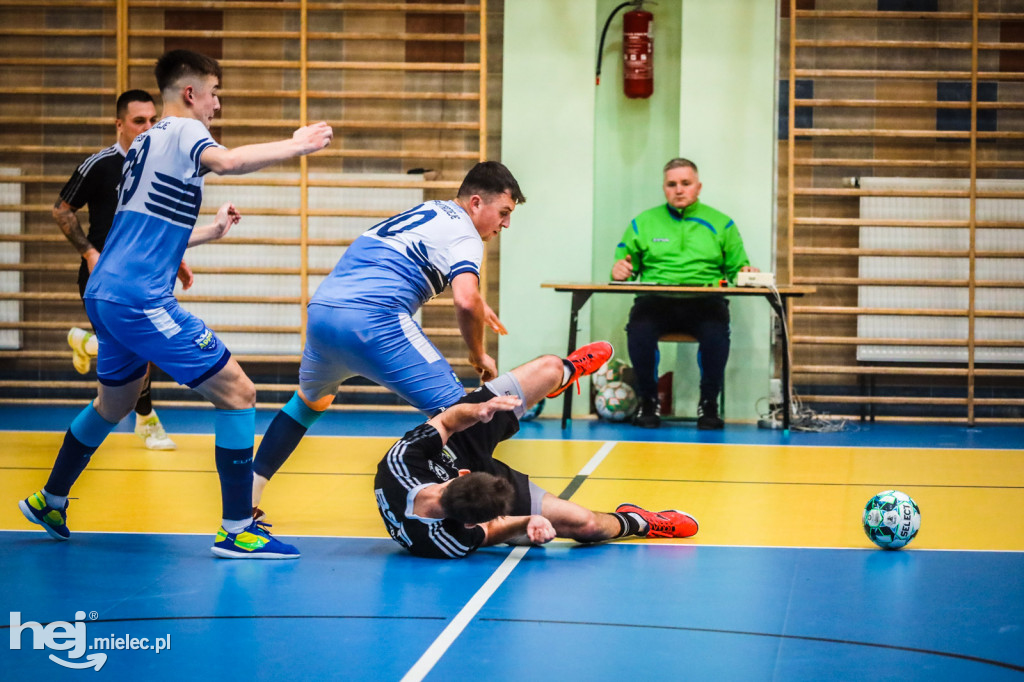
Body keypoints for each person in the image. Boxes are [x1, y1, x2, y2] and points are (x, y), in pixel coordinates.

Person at [18, 49, 333, 559]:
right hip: (140, 299)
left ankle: (50, 498)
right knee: (238, 391)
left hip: (108, 294)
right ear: (191, 93)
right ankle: (237, 530)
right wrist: (296, 144)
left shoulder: (144, 144)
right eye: (214, 94)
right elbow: (228, 163)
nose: (217, 106)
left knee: (114, 404)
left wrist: (210, 232)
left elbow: (142, 230)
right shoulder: (185, 131)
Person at [249, 161, 525, 523]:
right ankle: (498, 516)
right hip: (375, 320)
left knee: (306, 406)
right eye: (503, 213)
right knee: (463, 417)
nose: (505, 224)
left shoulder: (428, 209)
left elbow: (408, 260)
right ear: (476, 203)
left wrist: (478, 303)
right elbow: (465, 299)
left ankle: (245, 502)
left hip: (323, 314)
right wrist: (478, 355)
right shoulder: (467, 235)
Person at [374, 341, 699, 559]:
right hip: (468, 498)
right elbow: (493, 530)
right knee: (585, 524)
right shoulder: (449, 541)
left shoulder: (401, 463)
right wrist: (526, 523)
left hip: (458, 442)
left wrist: (480, 411)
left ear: (454, 477)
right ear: (471, 523)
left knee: (547, 367)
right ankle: (639, 521)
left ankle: (566, 373)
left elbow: (445, 423)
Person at [55, 89, 189, 450]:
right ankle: (146, 422)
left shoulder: (158, 166)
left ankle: (86, 342)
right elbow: (62, 210)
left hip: (147, 275)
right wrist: (88, 252)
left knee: (135, 350)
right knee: (139, 348)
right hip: (103, 277)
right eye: (139, 121)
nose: (148, 127)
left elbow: (157, 223)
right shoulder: (99, 165)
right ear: (120, 124)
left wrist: (175, 260)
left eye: (153, 120)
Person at [611, 158, 758, 430]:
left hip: (705, 302)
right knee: (638, 329)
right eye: (672, 184)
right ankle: (648, 401)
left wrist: (746, 271)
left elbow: (739, 269)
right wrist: (619, 269)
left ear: (698, 187)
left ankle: (709, 404)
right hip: (656, 302)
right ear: (664, 188)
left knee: (717, 333)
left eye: (685, 184)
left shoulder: (722, 223)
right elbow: (625, 266)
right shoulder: (643, 222)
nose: (679, 190)